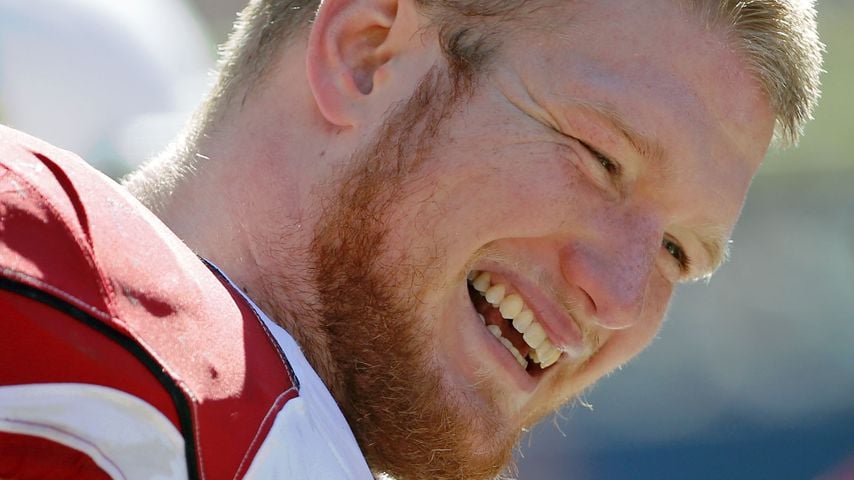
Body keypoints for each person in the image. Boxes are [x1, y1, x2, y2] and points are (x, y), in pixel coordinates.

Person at [0, 0, 824, 478]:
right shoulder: (85, 353)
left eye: (680, 253)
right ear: (366, 54)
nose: (619, 297)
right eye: (601, 157)